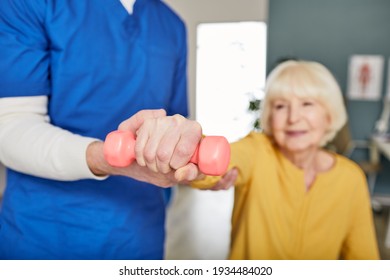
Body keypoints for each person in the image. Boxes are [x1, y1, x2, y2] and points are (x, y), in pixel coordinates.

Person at [0, 0, 200, 259]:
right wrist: (105, 158)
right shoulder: (28, 4)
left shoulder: (172, 25)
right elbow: (11, 126)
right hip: (43, 236)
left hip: (140, 235)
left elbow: (175, 123)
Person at [191, 60, 380, 259]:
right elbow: (224, 160)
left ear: (329, 115)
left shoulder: (351, 179)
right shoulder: (257, 150)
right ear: (270, 116)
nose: (293, 118)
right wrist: (195, 155)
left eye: (307, 104)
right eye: (281, 106)